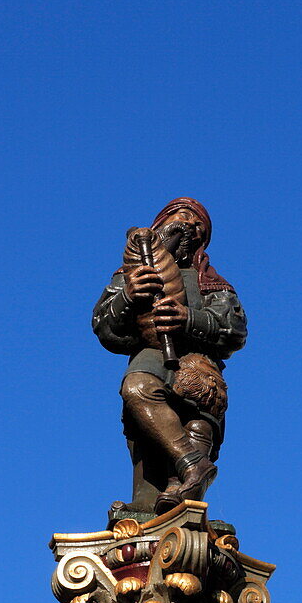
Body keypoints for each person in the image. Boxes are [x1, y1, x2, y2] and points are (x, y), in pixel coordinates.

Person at [92, 198, 247, 514]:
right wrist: (128, 296)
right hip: (151, 354)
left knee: (196, 429)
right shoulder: (130, 274)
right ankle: (191, 466)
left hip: (199, 364)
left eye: (196, 222)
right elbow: (104, 326)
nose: (187, 225)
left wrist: (189, 318)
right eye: (180, 217)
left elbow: (234, 329)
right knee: (137, 389)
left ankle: (182, 486)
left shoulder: (212, 282)